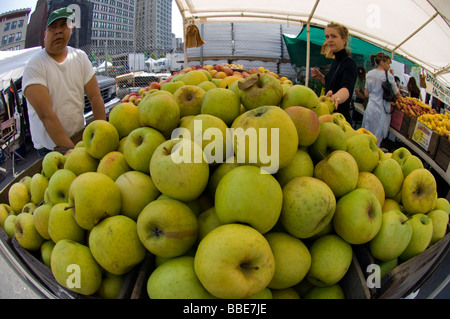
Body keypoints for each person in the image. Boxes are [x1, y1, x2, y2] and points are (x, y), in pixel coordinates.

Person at [22, 7, 106, 157]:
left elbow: (95, 98)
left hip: (80, 137)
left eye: (63, 25)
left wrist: (104, 135)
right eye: (53, 27)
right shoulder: (35, 65)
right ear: (45, 34)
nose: (58, 31)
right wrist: (73, 154)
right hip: (51, 151)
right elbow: (47, 115)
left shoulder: (80, 57)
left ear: (71, 30)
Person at [311, 22, 357, 124]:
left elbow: (346, 87)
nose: (329, 40)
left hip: (340, 120)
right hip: (328, 116)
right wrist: (322, 78)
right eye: (327, 37)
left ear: (344, 40)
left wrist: (337, 97)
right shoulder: (336, 61)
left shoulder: (349, 63)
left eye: (334, 36)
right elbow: (333, 84)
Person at [361, 52, 402, 147]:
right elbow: (397, 94)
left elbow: (366, 94)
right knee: (377, 137)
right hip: (382, 109)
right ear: (382, 62)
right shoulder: (388, 76)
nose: (389, 66)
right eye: (388, 63)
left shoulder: (369, 74)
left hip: (370, 108)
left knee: (365, 133)